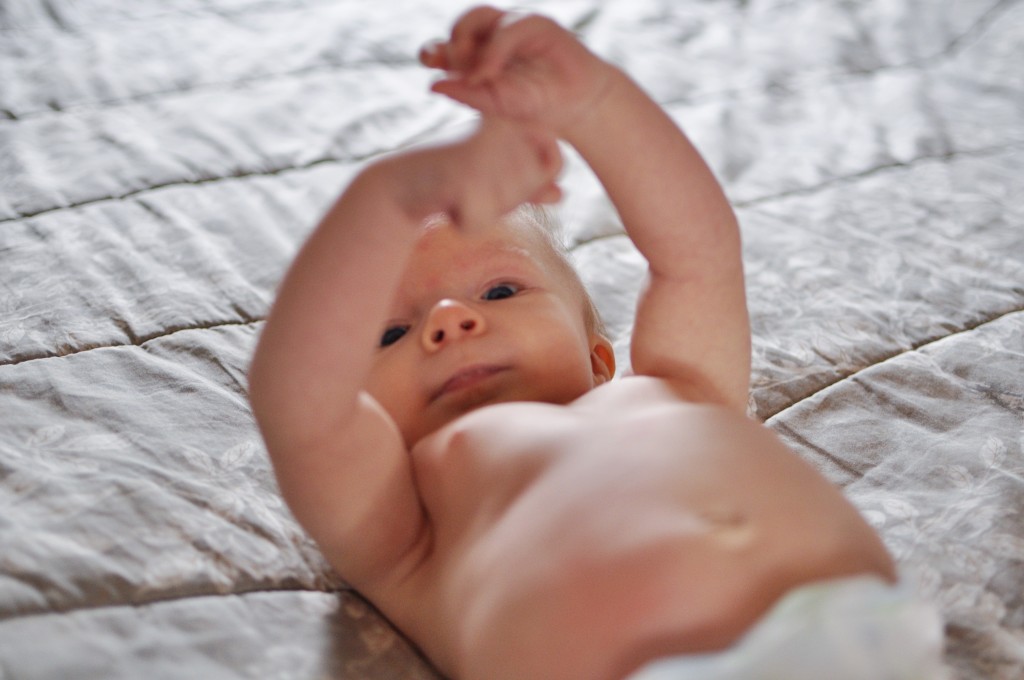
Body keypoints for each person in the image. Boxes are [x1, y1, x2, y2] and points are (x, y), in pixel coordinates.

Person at [248, 6, 943, 680]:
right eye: (391, 332)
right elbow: (301, 407)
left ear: (598, 356)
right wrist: (387, 198)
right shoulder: (405, 525)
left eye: (500, 291)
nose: (450, 320)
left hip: (866, 642)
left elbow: (697, 252)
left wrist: (592, 101)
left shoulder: (678, 385)